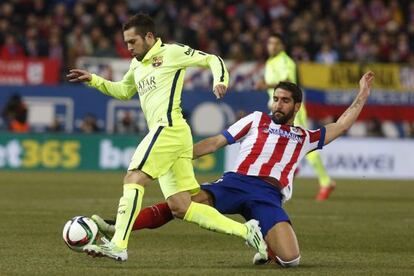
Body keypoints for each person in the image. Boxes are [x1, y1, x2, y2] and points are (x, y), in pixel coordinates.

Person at [93, 72, 375, 267]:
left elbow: (342, 124)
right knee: (180, 205)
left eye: (285, 100)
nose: (278, 104)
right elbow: (217, 141)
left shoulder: (306, 137)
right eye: (276, 98)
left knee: (291, 260)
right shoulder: (255, 120)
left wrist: (362, 94)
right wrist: (177, 155)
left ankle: (263, 241)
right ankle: (119, 226)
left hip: (268, 195)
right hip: (235, 183)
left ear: (296, 106)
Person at [66, 13, 267, 262]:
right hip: (174, 134)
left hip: (168, 128)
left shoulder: (172, 52)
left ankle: (118, 244)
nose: (129, 48)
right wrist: (94, 80)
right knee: (181, 206)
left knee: (134, 176)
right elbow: (123, 91)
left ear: (149, 36)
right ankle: (248, 231)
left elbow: (212, 59)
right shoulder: (136, 65)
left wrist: (220, 80)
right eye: (126, 42)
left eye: (132, 41)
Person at [255, 33, 336, 201]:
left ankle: (326, 182)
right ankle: (287, 172)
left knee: (306, 143)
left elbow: (287, 83)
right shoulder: (270, 62)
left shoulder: (286, 61)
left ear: (282, 46)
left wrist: (265, 85)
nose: (272, 46)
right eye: (269, 43)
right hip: (277, 109)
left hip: (291, 110)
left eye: (275, 43)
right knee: (274, 141)